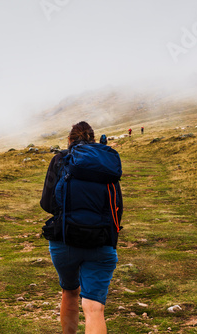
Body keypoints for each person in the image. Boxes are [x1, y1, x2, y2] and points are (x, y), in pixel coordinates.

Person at [40, 121, 123, 334]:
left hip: (65, 241)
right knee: (94, 308)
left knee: (69, 292)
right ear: (94, 140)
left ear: (70, 140)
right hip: (102, 242)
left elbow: (47, 204)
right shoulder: (106, 164)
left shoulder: (60, 160)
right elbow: (117, 207)